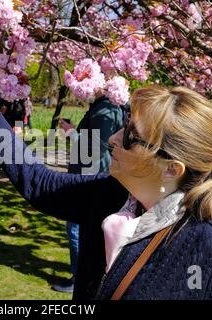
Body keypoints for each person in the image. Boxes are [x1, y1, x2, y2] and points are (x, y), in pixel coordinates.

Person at [0, 84, 212, 299]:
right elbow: (38, 183)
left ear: (172, 168)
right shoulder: (107, 194)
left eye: (131, 136)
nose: (113, 139)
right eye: (124, 125)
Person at [53, 94, 124, 293]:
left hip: (89, 179)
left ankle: (79, 277)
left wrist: (70, 133)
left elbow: (96, 150)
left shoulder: (105, 109)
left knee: (75, 229)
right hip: (94, 177)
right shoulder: (108, 106)